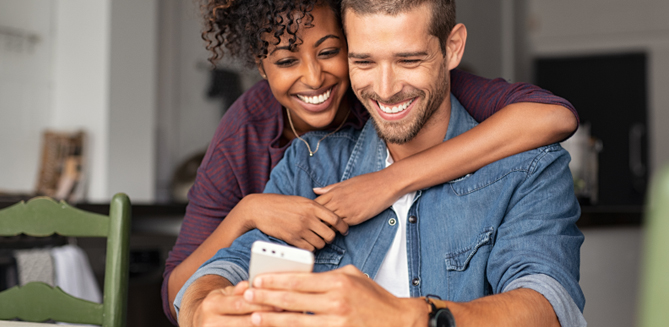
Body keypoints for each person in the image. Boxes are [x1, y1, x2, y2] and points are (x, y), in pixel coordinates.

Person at [162, 0, 580, 323]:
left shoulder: (528, 168)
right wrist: (204, 308)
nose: (385, 89)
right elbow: (217, 271)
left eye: (409, 60)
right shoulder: (306, 162)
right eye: (364, 61)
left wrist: (406, 318)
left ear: (452, 48)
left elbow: (547, 306)